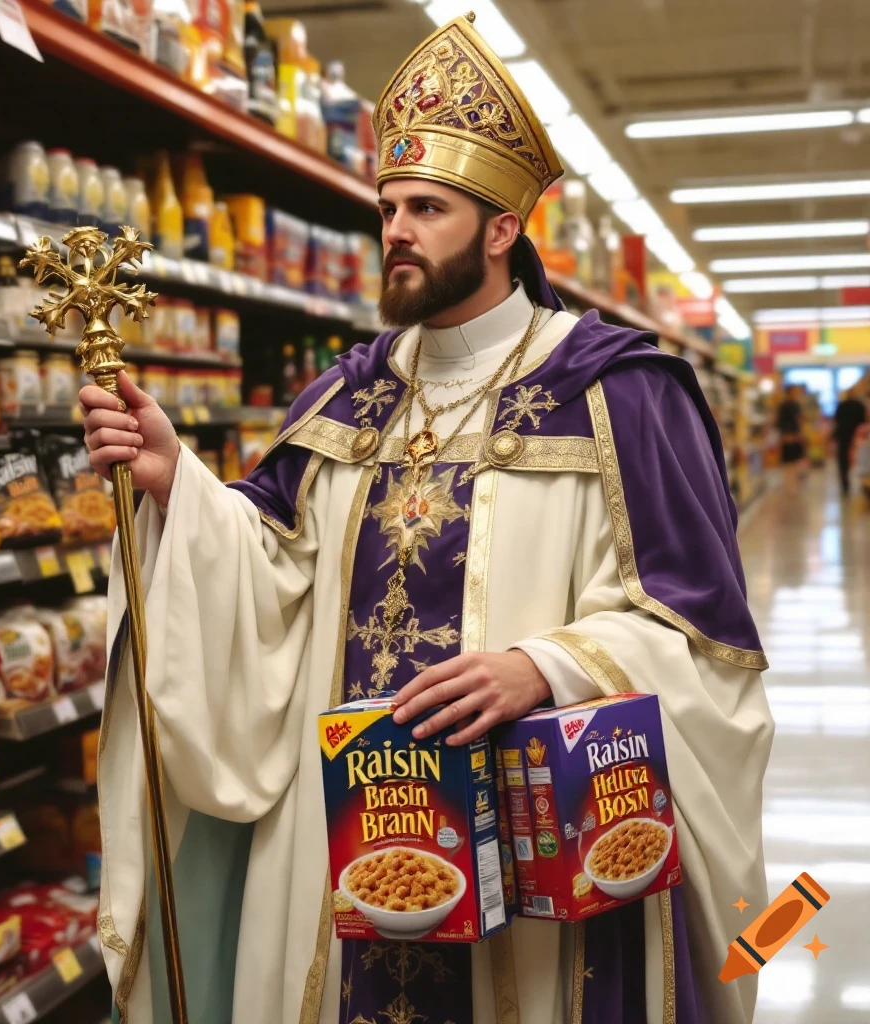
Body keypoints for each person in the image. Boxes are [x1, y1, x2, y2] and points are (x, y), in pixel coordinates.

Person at [83, 15, 772, 1024]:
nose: (395, 229)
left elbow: (703, 635)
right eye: (388, 205)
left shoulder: (619, 392)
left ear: (502, 229)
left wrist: (549, 665)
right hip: (345, 848)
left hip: (535, 855)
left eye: (428, 208)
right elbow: (270, 584)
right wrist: (175, 482)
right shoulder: (343, 398)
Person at [833, 384, 866, 496]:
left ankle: (845, 484)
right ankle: (863, 484)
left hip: (843, 436)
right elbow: (863, 420)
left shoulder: (841, 406)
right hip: (857, 437)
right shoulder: (859, 405)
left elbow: (836, 420)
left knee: (843, 462)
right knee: (861, 461)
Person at [777, 385, 806, 495]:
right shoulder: (787, 405)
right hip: (789, 436)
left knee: (793, 462)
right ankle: (790, 485)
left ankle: (792, 485)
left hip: (793, 436)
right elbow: (782, 422)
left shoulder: (793, 405)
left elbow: (799, 421)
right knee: (789, 462)